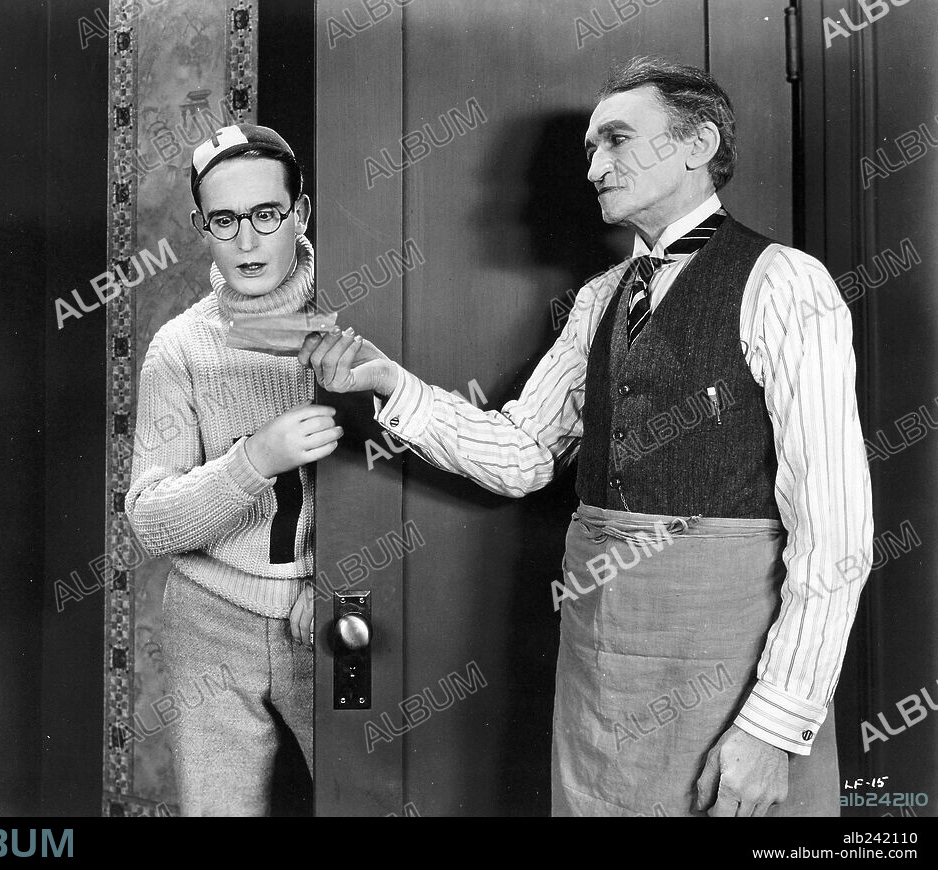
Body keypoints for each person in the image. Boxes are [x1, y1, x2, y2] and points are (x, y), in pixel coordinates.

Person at [300, 57, 874, 817]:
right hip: (603, 667)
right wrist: (387, 385)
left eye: (616, 140)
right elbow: (522, 456)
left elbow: (835, 536)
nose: (596, 168)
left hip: (732, 665)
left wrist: (773, 728)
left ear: (697, 144)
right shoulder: (600, 300)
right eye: (590, 151)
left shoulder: (787, 284)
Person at [125, 123, 342, 816]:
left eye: (266, 215)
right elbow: (151, 518)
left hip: (329, 616)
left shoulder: (356, 318)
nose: (247, 241)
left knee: (371, 792)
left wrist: (337, 580)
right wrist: (255, 460)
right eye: (225, 220)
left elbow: (394, 478)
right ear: (201, 227)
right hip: (211, 616)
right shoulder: (179, 348)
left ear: (300, 212)